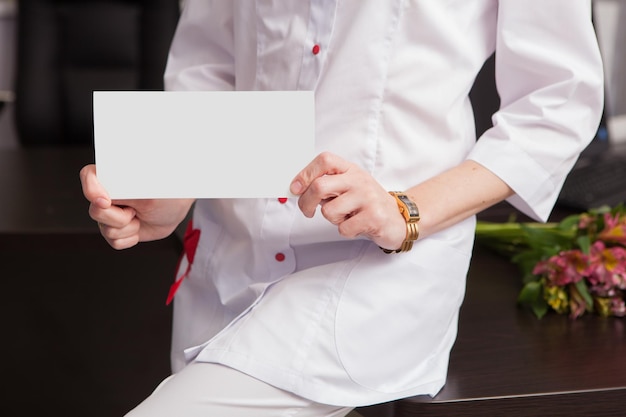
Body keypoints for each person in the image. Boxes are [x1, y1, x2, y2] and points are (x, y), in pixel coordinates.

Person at [80, 1, 604, 416]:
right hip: (230, 257)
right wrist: (174, 184)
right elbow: (210, 63)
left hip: (377, 271)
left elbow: (555, 106)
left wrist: (406, 209)